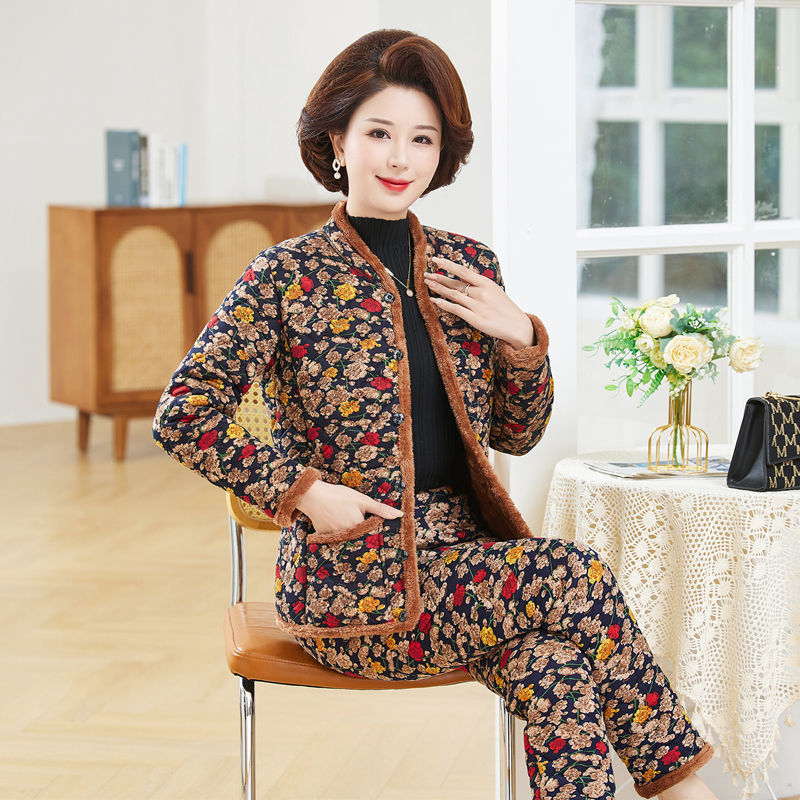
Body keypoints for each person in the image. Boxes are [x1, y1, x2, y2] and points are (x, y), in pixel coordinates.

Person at [153, 27, 720, 800]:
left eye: (421, 138)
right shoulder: (286, 274)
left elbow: (517, 433)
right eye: (379, 134)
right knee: (573, 573)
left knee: (554, 668)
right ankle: (687, 791)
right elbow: (185, 411)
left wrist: (520, 339)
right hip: (352, 586)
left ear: (441, 151)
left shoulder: (468, 267)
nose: (400, 158)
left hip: (469, 570)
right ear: (337, 141)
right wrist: (302, 492)